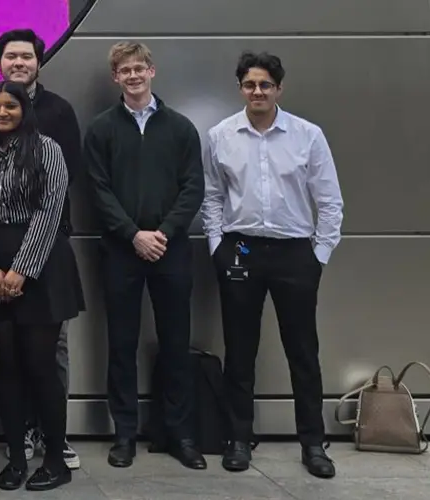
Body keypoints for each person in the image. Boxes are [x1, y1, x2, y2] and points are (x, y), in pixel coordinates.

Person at [202, 51, 343, 479]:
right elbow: (211, 197)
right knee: (240, 349)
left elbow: (330, 201)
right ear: (240, 88)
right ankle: (239, 439)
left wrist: (318, 256)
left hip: (294, 253)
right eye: (249, 84)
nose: (257, 91)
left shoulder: (307, 135)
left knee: (303, 351)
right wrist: (217, 247)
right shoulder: (221, 135)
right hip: (241, 250)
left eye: (265, 84)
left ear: (279, 88)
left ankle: (313, 444)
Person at [0, 27, 85, 468]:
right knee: (8, 370)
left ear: (24, 110)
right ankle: (15, 457)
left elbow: (52, 207)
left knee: (43, 367)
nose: (1, 111)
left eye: (10, 105)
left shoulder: (47, 147)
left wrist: (20, 271)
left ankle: (54, 455)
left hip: (42, 267)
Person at [83, 40, 206, 470]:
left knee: (175, 343)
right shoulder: (101, 129)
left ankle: (179, 433)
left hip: (171, 252)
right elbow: (96, 190)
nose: (133, 76)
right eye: (124, 70)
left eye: (140, 68)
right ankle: (125, 435)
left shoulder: (180, 128)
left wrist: (163, 233)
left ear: (152, 71)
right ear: (115, 77)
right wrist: (133, 234)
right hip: (120, 252)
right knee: (121, 345)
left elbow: (194, 188)